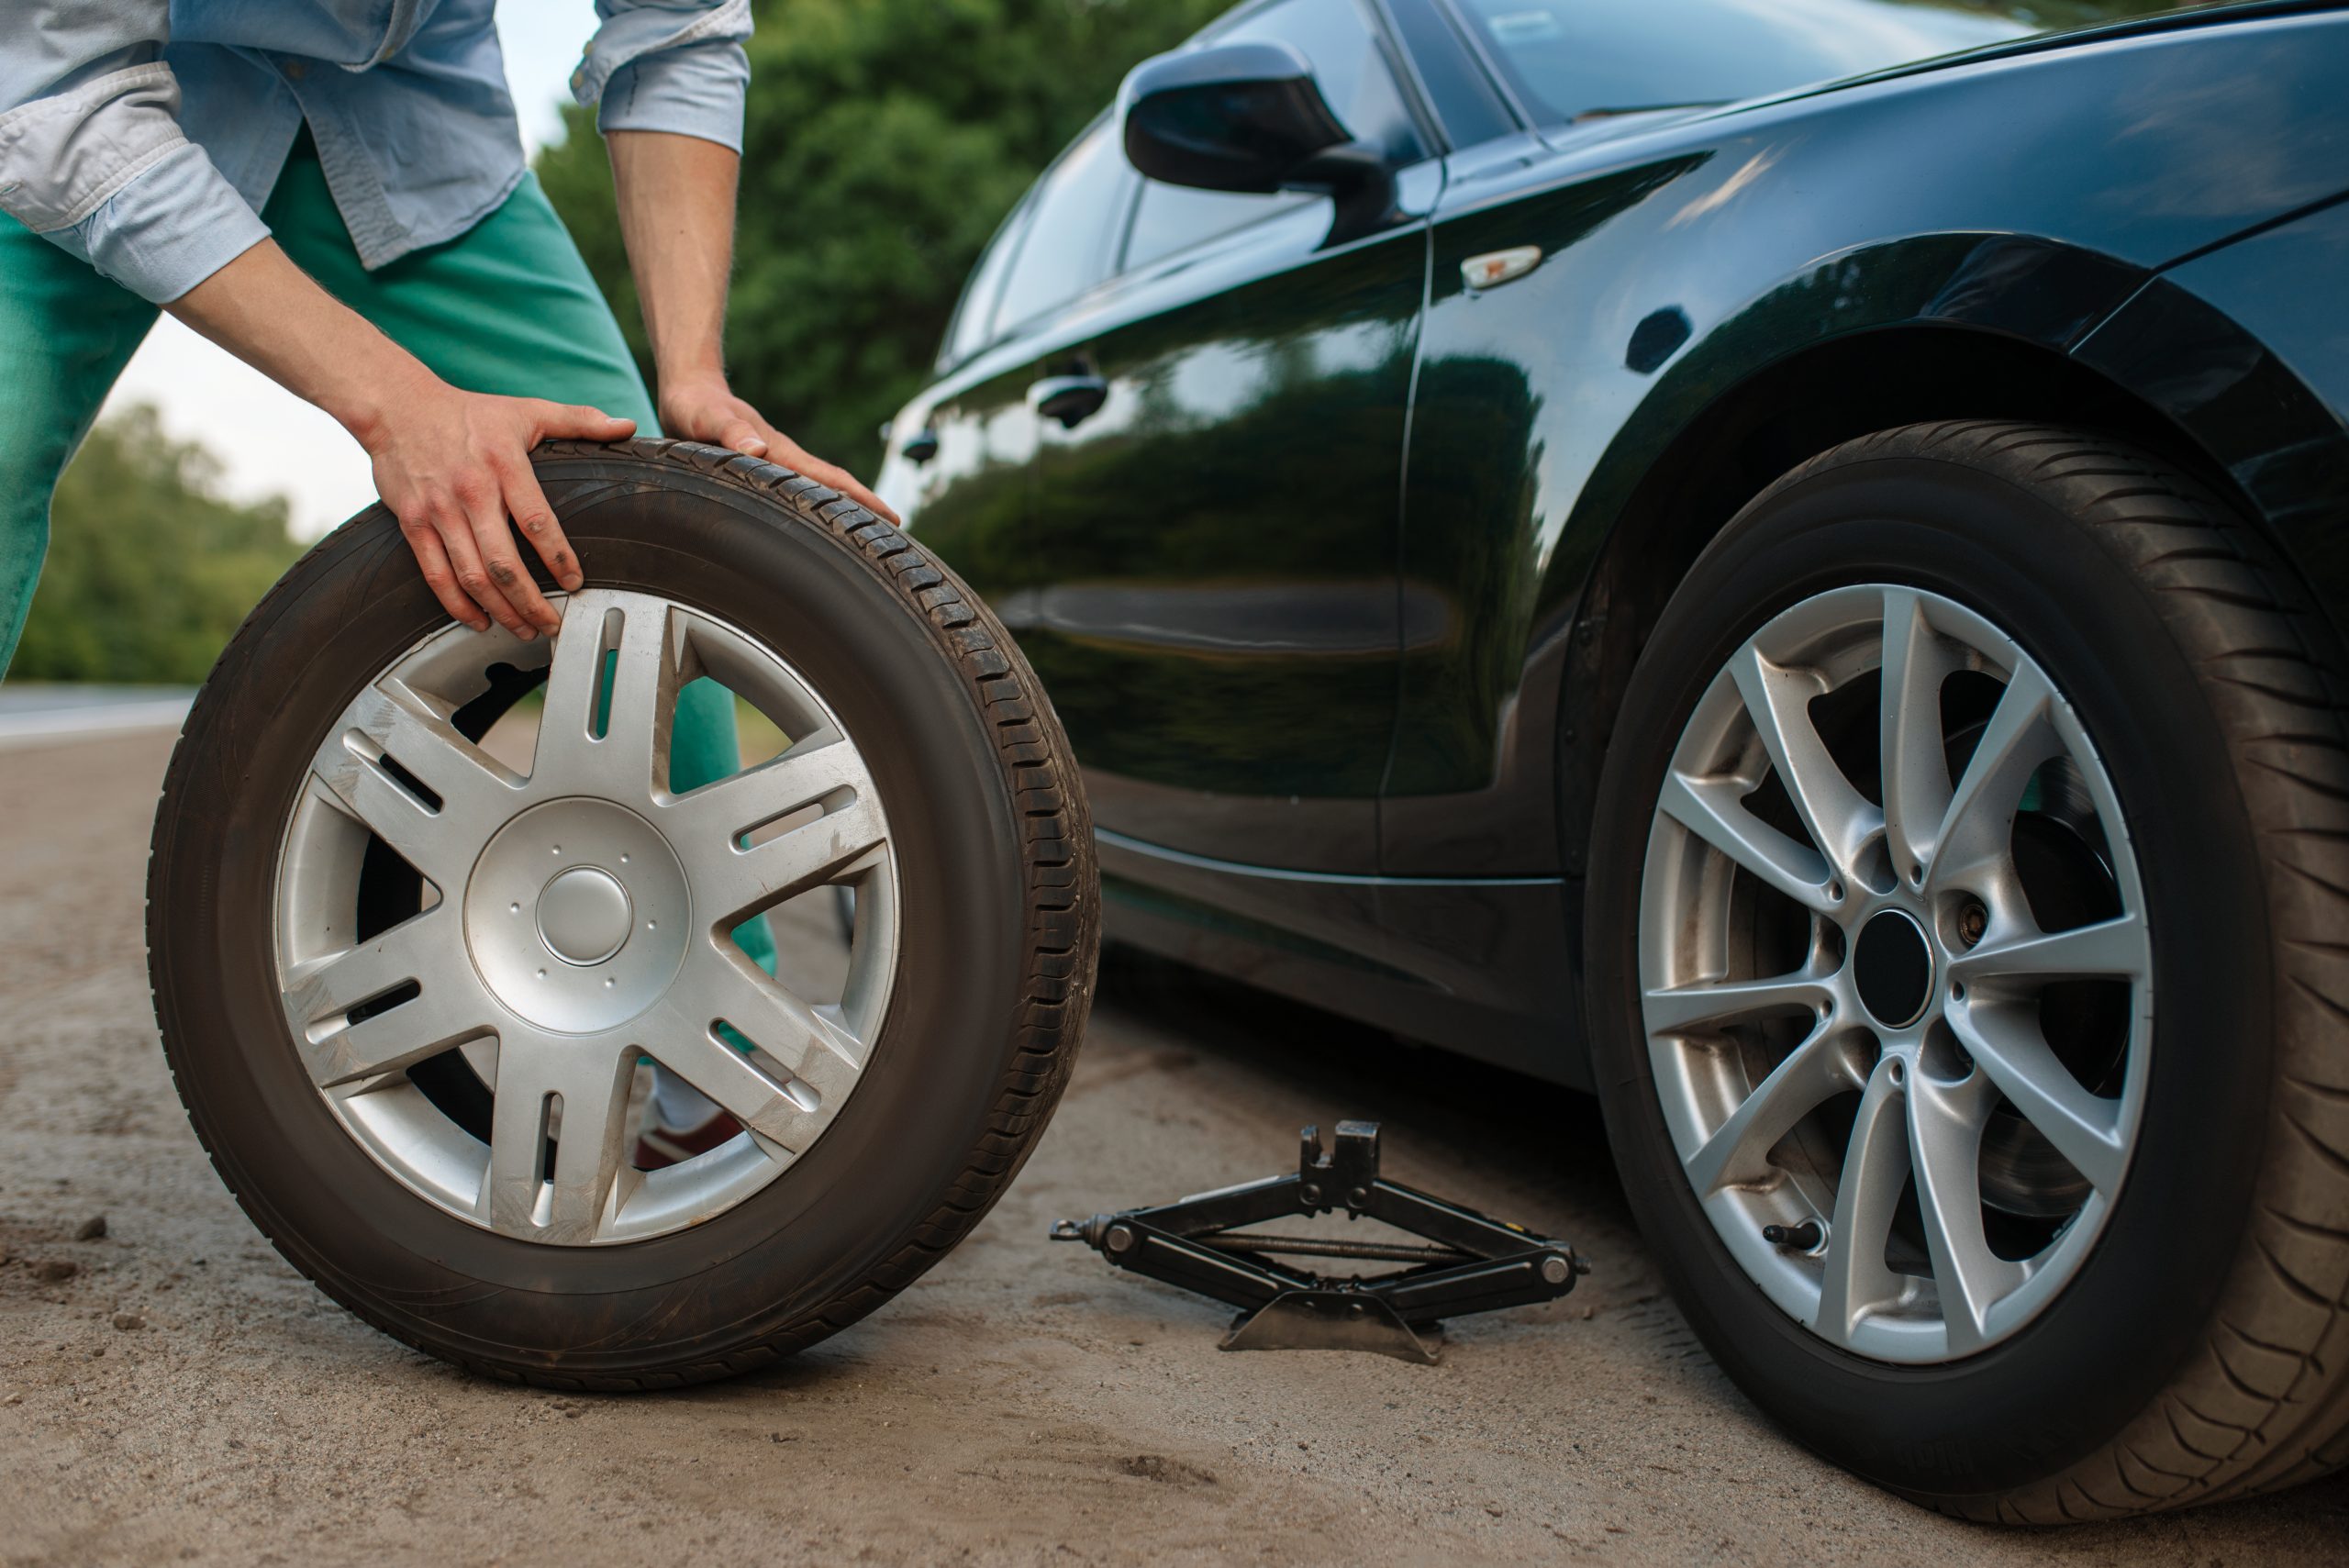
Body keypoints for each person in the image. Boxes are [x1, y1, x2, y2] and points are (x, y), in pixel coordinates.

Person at [0, 0, 890, 1167]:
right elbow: (60, 102)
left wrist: (694, 373)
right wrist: (393, 406)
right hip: (68, 99)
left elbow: (674, 36)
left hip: (407, 130)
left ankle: (700, 1042)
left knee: (645, 528)